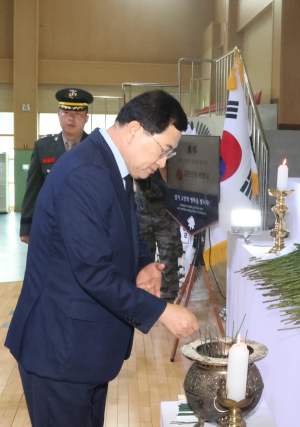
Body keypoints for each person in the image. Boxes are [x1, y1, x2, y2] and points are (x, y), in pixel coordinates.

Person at [6, 90, 200, 427]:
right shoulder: (86, 172)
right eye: (164, 150)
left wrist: (141, 264)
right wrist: (163, 312)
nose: (164, 162)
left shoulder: (111, 164)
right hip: (60, 353)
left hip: (84, 350)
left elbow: (127, 228)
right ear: (135, 131)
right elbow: (93, 272)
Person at [20, 88, 93, 243]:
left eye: (78, 113)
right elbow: (33, 190)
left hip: (87, 227)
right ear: (58, 115)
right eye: (66, 112)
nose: (71, 118)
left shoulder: (96, 148)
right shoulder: (43, 148)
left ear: (86, 118)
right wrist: (26, 228)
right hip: (51, 226)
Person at [135, 168, 183, 301]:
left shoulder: (166, 155)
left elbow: (173, 181)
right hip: (142, 210)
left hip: (166, 212)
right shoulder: (140, 154)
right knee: (142, 259)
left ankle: (168, 304)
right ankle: (144, 301)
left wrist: (162, 166)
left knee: (168, 261)